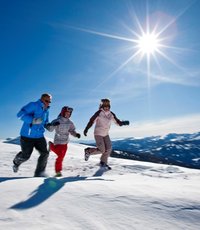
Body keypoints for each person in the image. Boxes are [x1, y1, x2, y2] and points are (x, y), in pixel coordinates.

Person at [12, 93, 52, 177]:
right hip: (27, 136)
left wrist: (49, 126)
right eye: (46, 101)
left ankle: (39, 174)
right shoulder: (33, 105)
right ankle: (16, 162)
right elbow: (20, 115)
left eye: (49, 101)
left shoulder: (46, 111)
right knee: (26, 156)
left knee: (45, 153)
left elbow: (45, 122)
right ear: (41, 99)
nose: (48, 103)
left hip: (39, 136)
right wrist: (33, 120)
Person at [83, 98, 129, 170]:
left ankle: (103, 162)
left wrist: (123, 123)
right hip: (98, 133)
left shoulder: (111, 114)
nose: (106, 107)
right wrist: (86, 129)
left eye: (108, 106)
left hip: (105, 134)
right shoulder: (99, 113)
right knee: (102, 150)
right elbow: (91, 121)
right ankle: (88, 151)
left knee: (109, 148)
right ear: (102, 106)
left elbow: (117, 122)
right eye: (105, 106)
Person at [46, 106, 81, 177]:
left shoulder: (70, 122)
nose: (68, 114)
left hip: (65, 142)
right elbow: (50, 129)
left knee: (61, 157)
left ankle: (51, 146)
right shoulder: (57, 120)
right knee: (60, 156)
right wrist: (53, 125)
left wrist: (76, 134)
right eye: (67, 113)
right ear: (63, 112)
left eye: (69, 113)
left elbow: (72, 130)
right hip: (58, 141)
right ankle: (58, 172)